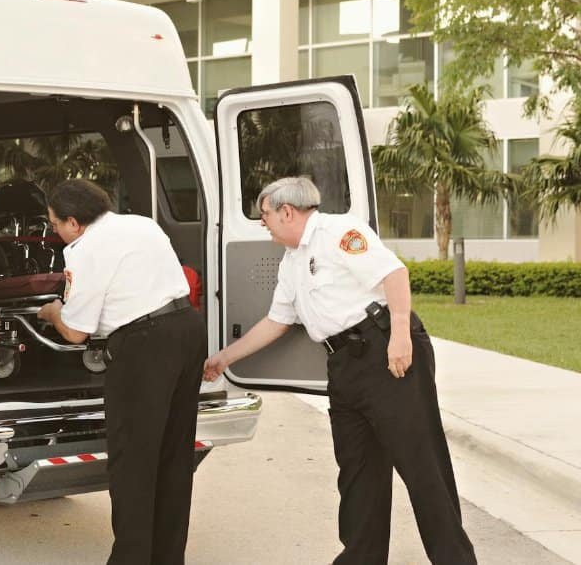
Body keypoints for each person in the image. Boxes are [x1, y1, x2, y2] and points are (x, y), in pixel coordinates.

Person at [203, 177, 476, 565]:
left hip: (384, 351)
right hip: (344, 364)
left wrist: (400, 336)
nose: (261, 222)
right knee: (357, 470)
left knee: (421, 465)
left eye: (263, 214)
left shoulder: (340, 232)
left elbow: (394, 275)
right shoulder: (292, 260)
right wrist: (225, 358)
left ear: (287, 211)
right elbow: (277, 321)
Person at [36, 179, 204, 565]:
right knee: (173, 455)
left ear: (74, 223)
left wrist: (51, 312)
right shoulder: (141, 224)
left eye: (56, 224)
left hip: (142, 345)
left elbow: (76, 332)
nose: (56, 233)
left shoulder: (83, 250)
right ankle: (166, 558)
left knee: (133, 460)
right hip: (186, 330)